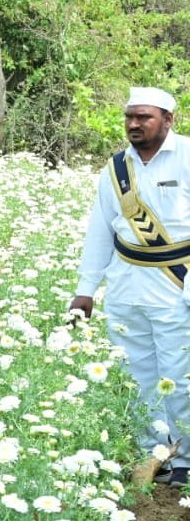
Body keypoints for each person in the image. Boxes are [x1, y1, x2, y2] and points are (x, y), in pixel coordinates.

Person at [69, 86, 189, 489]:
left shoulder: (188, 156)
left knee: (180, 374)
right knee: (136, 376)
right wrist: (86, 289)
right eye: (130, 117)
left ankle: (186, 458)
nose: (134, 124)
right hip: (126, 285)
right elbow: (100, 230)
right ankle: (153, 454)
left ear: (168, 120)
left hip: (178, 285)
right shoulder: (116, 168)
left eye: (144, 117)